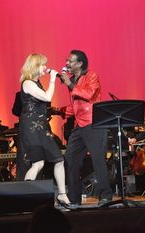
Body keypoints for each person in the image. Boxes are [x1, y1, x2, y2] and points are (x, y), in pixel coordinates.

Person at [59, 50, 112, 206]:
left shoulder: (91, 76)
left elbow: (89, 95)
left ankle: (105, 195)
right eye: (67, 60)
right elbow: (76, 105)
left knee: (98, 160)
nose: (67, 63)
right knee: (70, 159)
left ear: (80, 63)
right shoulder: (73, 79)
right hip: (79, 124)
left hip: (93, 123)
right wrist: (60, 111)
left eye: (70, 61)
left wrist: (70, 84)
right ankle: (74, 198)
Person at [19, 53, 70, 206]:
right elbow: (47, 97)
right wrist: (53, 79)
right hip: (31, 127)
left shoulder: (36, 82)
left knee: (59, 159)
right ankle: (24, 195)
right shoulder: (27, 83)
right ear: (35, 66)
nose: (46, 68)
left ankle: (62, 195)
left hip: (41, 127)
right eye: (43, 65)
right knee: (38, 163)